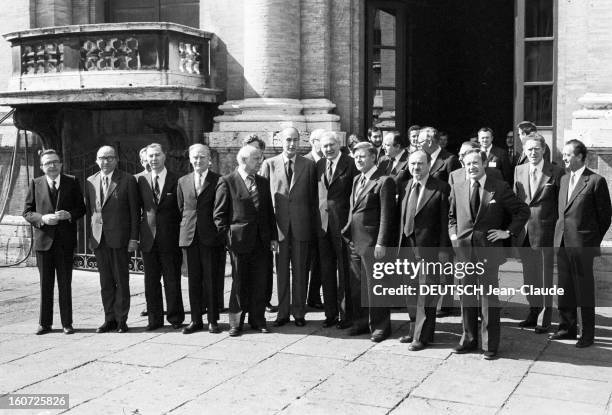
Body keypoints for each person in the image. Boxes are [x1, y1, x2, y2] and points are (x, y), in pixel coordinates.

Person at [449, 148, 529, 359]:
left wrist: (507, 232)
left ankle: (489, 344)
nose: (472, 167)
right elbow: (451, 217)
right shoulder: (458, 187)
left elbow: (522, 211)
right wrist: (454, 236)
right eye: (468, 164)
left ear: (484, 163)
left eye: (476, 162)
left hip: (488, 252)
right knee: (466, 297)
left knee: (488, 298)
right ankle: (468, 339)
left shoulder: (499, 187)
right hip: (464, 252)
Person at [551, 139, 611, 348]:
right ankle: (567, 327)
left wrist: (590, 241)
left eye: (568, 155)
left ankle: (587, 334)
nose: (564, 158)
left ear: (580, 157)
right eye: (564, 155)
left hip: (582, 246)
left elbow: (605, 217)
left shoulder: (595, 181)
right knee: (565, 288)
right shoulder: (564, 179)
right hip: (562, 243)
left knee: (584, 291)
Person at [214, 145, 278, 336]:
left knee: (260, 281)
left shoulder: (263, 182)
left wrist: (273, 236)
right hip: (239, 242)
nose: (260, 161)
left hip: (262, 240)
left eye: (260, 158)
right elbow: (219, 216)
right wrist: (229, 238)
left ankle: (258, 320)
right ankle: (236, 322)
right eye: (256, 158)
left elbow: (269, 212)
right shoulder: (227, 181)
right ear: (243, 160)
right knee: (239, 282)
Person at [23, 149, 85, 335]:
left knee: (65, 284)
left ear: (61, 164)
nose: (52, 166)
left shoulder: (72, 182)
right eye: (48, 163)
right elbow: (27, 212)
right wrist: (42, 218)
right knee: (45, 284)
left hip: (65, 243)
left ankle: (67, 323)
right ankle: (45, 323)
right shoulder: (36, 183)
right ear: (42, 167)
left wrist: (69, 215)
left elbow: (81, 208)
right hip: (44, 242)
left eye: (55, 162)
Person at [261, 127, 318, 327]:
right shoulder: (269, 164)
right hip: (279, 229)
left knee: (301, 271)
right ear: (280, 142)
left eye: (295, 140)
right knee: (282, 270)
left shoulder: (309, 165)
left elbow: (313, 199)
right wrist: (269, 231)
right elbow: (264, 201)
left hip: (302, 226)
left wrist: (312, 228)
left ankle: (299, 312)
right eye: (288, 140)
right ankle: (282, 312)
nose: (291, 144)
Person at [397, 150, 451, 350]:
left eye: (420, 163)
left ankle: (423, 336)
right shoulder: (405, 186)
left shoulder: (442, 188)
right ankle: (413, 329)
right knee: (410, 291)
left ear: (429, 164)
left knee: (427, 293)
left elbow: (446, 222)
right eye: (412, 164)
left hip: (431, 249)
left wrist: (445, 250)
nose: (416, 168)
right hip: (407, 247)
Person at [342, 142, 396, 342]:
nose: (358, 160)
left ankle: (381, 326)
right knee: (358, 286)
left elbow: (386, 215)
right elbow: (354, 208)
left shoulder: (384, 181)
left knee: (376, 286)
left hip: (374, 243)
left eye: (362, 156)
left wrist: (382, 242)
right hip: (355, 241)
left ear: (374, 157)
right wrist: (347, 230)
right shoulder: (357, 179)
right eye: (356, 157)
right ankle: (361, 322)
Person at [512, 135, 564, 333]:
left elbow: (561, 206)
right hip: (524, 234)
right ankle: (532, 313)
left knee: (544, 279)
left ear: (543, 150)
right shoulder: (519, 170)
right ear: (524, 151)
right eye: (529, 149)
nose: (532, 153)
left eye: (536, 149)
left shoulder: (556, 172)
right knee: (529, 278)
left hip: (546, 234)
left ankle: (545, 319)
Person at [85, 146, 139, 333]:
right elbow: (89, 212)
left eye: (109, 158)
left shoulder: (127, 180)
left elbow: (134, 212)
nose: (105, 161)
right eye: (102, 158)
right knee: (105, 282)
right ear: (96, 160)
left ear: (116, 160)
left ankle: (121, 320)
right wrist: (90, 238)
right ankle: (109, 319)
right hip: (99, 240)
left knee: (121, 281)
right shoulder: (90, 181)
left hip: (120, 239)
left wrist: (134, 238)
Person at [137, 143, 185, 331]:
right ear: (146, 159)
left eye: (157, 155)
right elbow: (136, 210)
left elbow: (182, 211)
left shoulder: (177, 180)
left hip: (170, 239)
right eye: (151, 156)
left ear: (164, 156)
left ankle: (175, 318)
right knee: (151, 282)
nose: (154, 159)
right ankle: (154, 319)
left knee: (172, 280)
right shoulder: (140, 180)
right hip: (148, 239)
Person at [178, 144, 225, 334]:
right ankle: (196, 320)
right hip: (189, 236)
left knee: (211, 279)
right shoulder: (183, 181)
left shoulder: (219, 180)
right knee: (193, 280)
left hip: (210, 237)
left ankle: (213, 320)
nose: (198, 161)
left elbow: (220, 207)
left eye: (202, 157)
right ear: (190, 159)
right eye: (195, 157)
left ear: (209, 159)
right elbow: (181, 208)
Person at [317, 131, 359, 329]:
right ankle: (330, 314)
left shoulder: (350, 164)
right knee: (326, 271)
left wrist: (349, 224)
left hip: (343, 226)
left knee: (345, 272)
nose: (328, 149)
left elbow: (355, 196)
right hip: (323, 226)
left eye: (331, 145)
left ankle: (345, 315)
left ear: (339, 144)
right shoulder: (318, 166)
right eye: (324, 146)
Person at [243, 133, 277, 313]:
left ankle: (264, 302)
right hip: (243, 236)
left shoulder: (264, 177)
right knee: (243, 275)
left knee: (264, 271)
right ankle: (243, 308)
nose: (257, 156)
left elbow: (269, 208)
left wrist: (272, 235)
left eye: (259, 151)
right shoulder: (232, 179)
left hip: (262, 234)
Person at [304, 129, 325, 309]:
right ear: (313, 142)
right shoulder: (305, 162)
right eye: (322, 141)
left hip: (324, 222)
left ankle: (314, 296)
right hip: (308, 220)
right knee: (306, 262)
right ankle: (304, 297)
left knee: (320, 261)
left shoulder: (327, 162)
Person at [135, 146, 151, 318]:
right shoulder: (136, 179)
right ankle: (150, 304)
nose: (149, 161)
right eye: (145, 159)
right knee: (148, 273)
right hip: (144, 232)